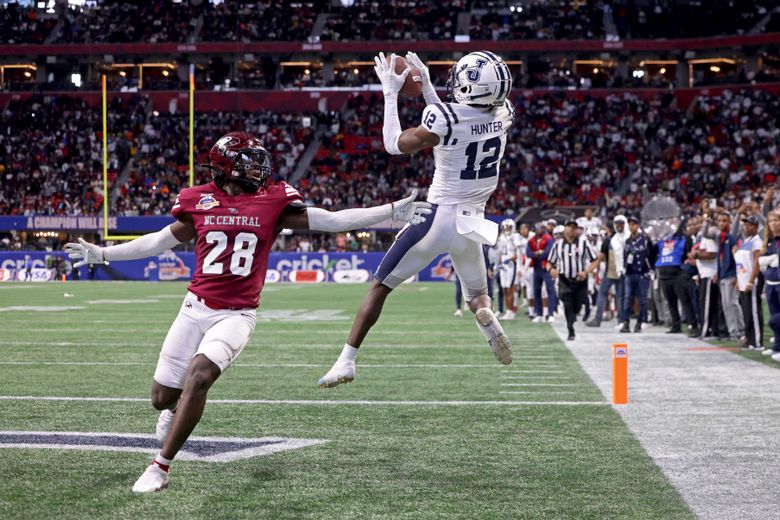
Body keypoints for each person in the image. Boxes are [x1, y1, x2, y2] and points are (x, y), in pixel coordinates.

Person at [65, 131, 431, 493]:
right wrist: (102, 253)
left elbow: (333, 220)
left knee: (199, 377)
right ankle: (173, 410)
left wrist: (392, 212)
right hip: (193, 309)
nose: (259, 167)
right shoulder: (200, 200)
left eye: (259, 160)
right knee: (161, 397)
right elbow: (159, 241)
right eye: (248, 161)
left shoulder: (274, 200)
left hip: (236, 314)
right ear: (225, 166)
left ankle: (160, 466)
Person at [317, 50, 516, 389]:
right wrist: (425, 88)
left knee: (379, 287)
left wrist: (390, 92)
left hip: (436, 219)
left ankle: (346, 361)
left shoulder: (444, 118)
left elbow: (394, 144)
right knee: (477, 296)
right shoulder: (504, 112)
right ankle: (486, 319)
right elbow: (459, 119)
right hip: (473, 223)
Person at [547, 220, 598, 340]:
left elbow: (595, 260)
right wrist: (551, 270)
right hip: (564, 279)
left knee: (577, 306)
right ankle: (570, 330)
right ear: (565, 229)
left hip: (580, 280)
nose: (571, 229)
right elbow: (549, 262)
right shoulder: (558, 244)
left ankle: (572, 317)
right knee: (567, 303)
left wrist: (586, 272)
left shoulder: (584, 243)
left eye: (574, 227)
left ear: (577, 230)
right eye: (569, 226)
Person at [655, 220, 700, 336]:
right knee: (671, 302)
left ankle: (693, 326)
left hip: (678, 274)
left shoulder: (685, 239)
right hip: (664, 275)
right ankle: (676, 325)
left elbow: (689, 255)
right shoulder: (663, 239)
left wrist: (685, 270)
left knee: (685, 301)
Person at [620, 216, 656, 333]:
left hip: (642, 274)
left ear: (638, 226)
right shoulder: (627, 241)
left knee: (643, 300)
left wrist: (651, 269)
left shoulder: (645, 240)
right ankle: (626, 323)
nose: (632, 226)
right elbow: (625, 257)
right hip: (630, 274)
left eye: (634, 224)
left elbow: (652, 255)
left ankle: (639, 323)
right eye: (630, 224)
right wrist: (624, 268)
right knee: (627, 299)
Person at [690, 215, 723, 338]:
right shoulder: (703, 238)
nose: (700, 226)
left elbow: (713, 254)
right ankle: (712, 329)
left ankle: (704, 330)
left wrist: (697, 255)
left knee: (706, 304)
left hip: (710, 273)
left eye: (703, 223)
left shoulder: (709, 238)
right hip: (704, 273)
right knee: (706, 303)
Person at [735, 215, 764, 350]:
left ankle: (757, 341)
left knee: (754, 312)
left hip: (751, 281)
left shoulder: (757, 241)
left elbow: (757, 262)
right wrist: (738, 281)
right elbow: (741, 263)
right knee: (747, 312)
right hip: (742, 281)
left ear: (756, 227)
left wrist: (751, 281)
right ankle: (749, 338)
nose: (747, 227)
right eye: (745, 225)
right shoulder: (746, 241)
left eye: (750, 225)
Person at [760, 210, 780, 360]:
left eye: (776, 220)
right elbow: (761, 261)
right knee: (774, 317)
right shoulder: (769, 240)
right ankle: (777, 347)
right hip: (770, 283)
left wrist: (772, 260)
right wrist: (771, 259)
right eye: (771, 221)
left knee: (775, 320)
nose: (773, 223)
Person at [527, 221, 557, 323]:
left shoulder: (549, 239)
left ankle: (551, 313)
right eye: (538, 228)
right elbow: (528, 253)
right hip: (536, 267)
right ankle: (539, 314)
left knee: (550, 290)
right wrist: (537, 253)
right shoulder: (532, 240)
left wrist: (539, 254)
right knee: (536, 291)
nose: (539, 230)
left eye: (541, 228)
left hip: (546, 267)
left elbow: (549, 252)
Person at [496, 219, 519, 319]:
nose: (507, 229)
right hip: (503, 266)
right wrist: (500, 262)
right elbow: (500, 253)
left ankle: (511, 311)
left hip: (511, 265)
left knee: (510, 288)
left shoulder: (515, 237)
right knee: (504, 288)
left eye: (509, 227)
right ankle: (508, 311)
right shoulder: (501, 238)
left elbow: (518, 254)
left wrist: (508, 259)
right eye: (505, 227)